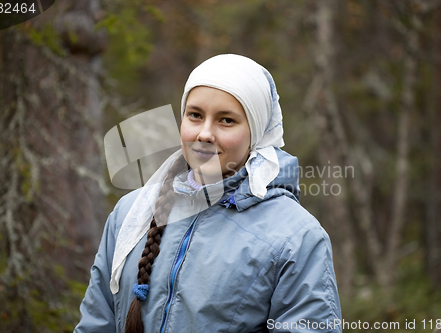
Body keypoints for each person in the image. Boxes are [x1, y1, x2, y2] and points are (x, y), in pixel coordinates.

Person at [74, 54, 342, 333]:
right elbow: (96, 322)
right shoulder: (130, 213)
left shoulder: (296, 237)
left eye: (226, 120)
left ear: (257, 133)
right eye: (195, 115)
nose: (204, 133)